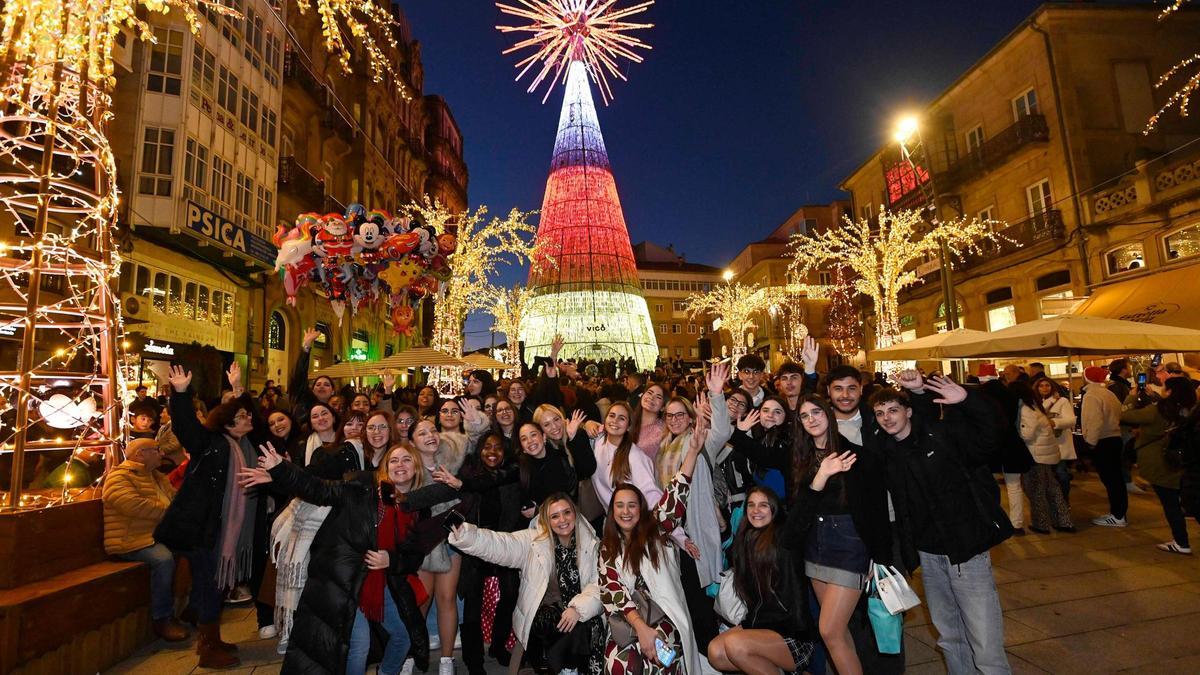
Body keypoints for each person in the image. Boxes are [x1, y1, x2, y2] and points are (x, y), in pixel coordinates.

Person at [239, 441, 464, 675]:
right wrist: (281, 470)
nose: (400, 465)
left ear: (416, 468)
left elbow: (413, 556)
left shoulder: (415, 507)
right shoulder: (362, 486)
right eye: (394, 460)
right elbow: (320, 489)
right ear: (385, 467)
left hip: (381, 583)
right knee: (358, 645)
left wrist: (391, 560)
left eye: (407, 460)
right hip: (344, 579)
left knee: (404, 634)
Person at [870, 376, 1013, 675]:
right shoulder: (888, 451)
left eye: (893, 410)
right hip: (928, 556)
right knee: (950, 637)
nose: (887, 418)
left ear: (907, 411)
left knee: (985, 643)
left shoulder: (942, 435)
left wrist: (967, 400)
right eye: (880, 413)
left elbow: (991, 436)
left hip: (966, 551)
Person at [154, 366, 263, 669]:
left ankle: (212, 638)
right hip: (205, 529)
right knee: (209, 584)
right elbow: (187, 428)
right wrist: (180, 393)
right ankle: (206, 648)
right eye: (242, 417)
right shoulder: (211, 445)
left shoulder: (246, 447)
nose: (248, 419)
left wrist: (239, 388)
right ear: (228, 424)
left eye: (247, 416)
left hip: (223, 530)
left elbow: (256, 416)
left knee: (215, 585)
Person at [598, 414, 708, 674]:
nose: (626, 512)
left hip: (664, 615)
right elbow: (613, 590)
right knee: (619, 664)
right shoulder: (607, 547)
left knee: (662, 659)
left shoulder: (655, 531)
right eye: (620, 506)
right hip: (629, 621)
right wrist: (641, 629)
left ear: (641, 509)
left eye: (632, 505)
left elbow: (675, 495)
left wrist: (692, 451)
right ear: (612, 511)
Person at [449, 494, 606, 675]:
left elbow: (600, 585)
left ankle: (572, 668)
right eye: (554, 516)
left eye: (567, 513)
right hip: (544, 621)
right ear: (546, 520)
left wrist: (578, 609)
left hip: (580, 616)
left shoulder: (592, 545)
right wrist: (466, 535)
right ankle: (566, 669)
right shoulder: (532, 542)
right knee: (559, 624)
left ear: (575, 514)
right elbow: (499, 544)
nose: (562, 520)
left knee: (582, 624)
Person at [707, 486, 815, 675]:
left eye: (763, 505)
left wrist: (818, 481)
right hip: (759, 626)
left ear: (774, 509)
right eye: (751, 505)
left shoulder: (784, 539)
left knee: (735, 645)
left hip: (791, 634)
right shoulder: (745, 541)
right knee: (715, 652)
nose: (756, 510)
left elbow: (802, 515)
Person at [102, 437, 188, 642]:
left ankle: (190, 607)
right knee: (163, 559)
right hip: (130, 540)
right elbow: (130, 504)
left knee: (196, 550)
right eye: (156, 450)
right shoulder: (120, 476)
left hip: (155, 536)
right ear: (140, 454)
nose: (162, 454)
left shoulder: (157, 476)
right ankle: (162, 618)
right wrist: (169, 513)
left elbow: (176, 499)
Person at [1121, 378, 1198, 554]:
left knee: (1171, 505)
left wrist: (1132, 397)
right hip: (1188, 461)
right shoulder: (1193, 409)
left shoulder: (1158, 410)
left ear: (1170, 391)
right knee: (1189, 500)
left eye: (1164, 388)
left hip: (1163, 464)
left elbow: (1125, 415)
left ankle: (1181, 543)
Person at [1012, 381, 1074, 534]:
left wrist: (1016, 435)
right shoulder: (1035, 405)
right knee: (1052, 488)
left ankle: (1041, 524)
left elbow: (1027, 434)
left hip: (1036, 454)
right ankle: (1063, 521)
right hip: (1046, 452)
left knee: (1036, 490)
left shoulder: (1026, 408)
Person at [590, 401, 662, 514]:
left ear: (629, 427)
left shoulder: (635, 456)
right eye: (612, 415)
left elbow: (651, 496)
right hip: (610, 522)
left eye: (622, 418)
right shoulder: (598, 440)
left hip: (631, 523)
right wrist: (587, 424)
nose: (615, 421)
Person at [1082, 366, 1128, 527]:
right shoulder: (1109, 393)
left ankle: (1117, 515)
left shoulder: (1091, 396)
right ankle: (1119, 513)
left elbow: (1094, 421)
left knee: (1110, 479)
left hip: (1103, 440)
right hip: (1115, 437)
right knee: (1116, 478)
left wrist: (1090, 442)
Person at [1035, 378, 1077, 504]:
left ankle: (1064, 500)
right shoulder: (1034, 403)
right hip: (1043, 443)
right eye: (1041, 385)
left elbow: (1071, 420)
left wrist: (1054, 422)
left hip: (1060, 442)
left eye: (1047, 385)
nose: (1044, 388)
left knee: (1060, 472)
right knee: (1046, 476)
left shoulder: (1062, 401)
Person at [631, 383, 667, 461]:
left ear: (663, 407)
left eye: (658, 397)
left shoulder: (663, 430)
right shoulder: (629, 421)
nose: (652, 397)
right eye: (649, 393)